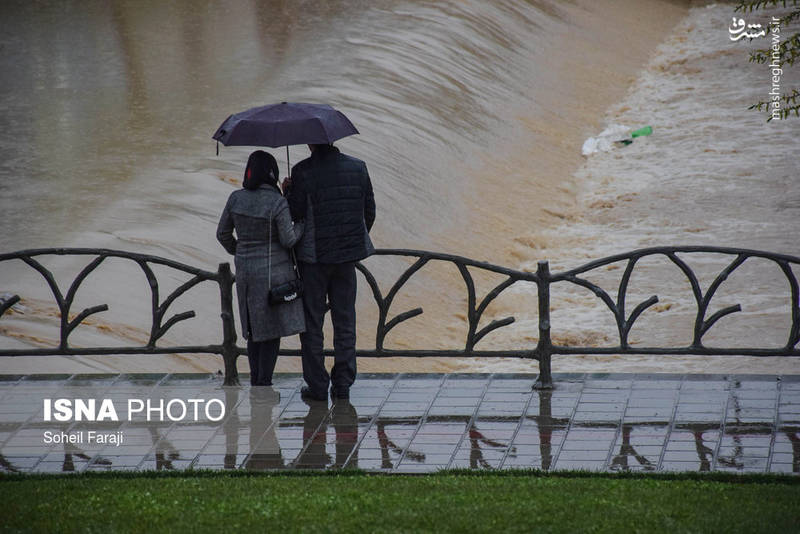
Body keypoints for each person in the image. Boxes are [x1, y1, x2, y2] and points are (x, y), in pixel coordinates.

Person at [284, 143, 375, 401]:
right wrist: (351, 241)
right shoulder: (358, 168)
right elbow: (369, 212)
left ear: (310, 144)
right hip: (347, 259)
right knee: (345, 321)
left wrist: (288, 192)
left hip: (314, 261)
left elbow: (295, 214)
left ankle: (317, 386)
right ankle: (343, 383)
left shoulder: (303, 171)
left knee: (312, 324)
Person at [217, 150, 305, 387]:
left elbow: (222, 234)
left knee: (254, 329)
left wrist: (240, 251)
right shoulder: (276, 202)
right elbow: (288, 239)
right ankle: (264, 383)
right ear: (272, 173)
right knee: (271, 330)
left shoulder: (236, 198)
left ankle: (256, 380)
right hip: (273, 274)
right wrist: (301, 226)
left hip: (246, 272)